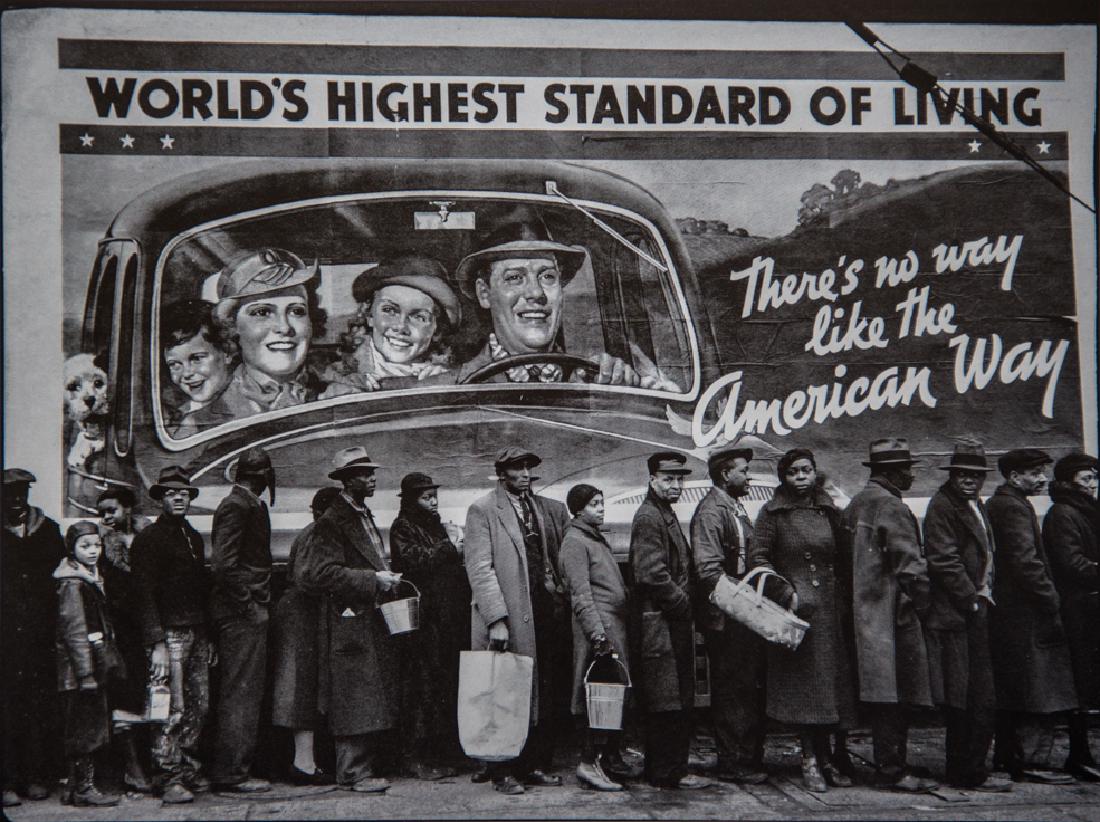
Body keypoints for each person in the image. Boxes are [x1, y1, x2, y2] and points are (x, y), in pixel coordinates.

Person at [453, 220, 678, 389]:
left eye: (548, 277)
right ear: (484, 294)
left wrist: (633, 391)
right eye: (514, 278)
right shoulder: (449, 388)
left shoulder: (594, 382)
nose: (536, 293)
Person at [463, 447, 571, 795]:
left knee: (537, 691)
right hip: (508, 614)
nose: (525, 474)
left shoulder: (534, 507)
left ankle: (533, 765)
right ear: (501, 474)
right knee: (503, 691)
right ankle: (502, 771)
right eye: (517, 468)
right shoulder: (482, 509)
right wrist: (496, 619)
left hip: (538, 612)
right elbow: (480, 569)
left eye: (528, 468)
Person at [296, 447, 404, 793]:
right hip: (349, 620)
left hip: (363, 617)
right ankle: (353, 773)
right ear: (346, 480)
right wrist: (374, 579)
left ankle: (359, 769)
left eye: (371, 472)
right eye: (364, 474)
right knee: (355, 696)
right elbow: (321, 573)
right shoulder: (332, 521)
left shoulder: (359, 514)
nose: (372, 478)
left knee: (365, 693)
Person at [749, 448, 856, 793]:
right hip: (797, 614)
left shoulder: (829, 510)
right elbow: (758, 559)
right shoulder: (772, 514)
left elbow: (845, 556)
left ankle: (829, 758)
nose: (800, 477)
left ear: (814, 472)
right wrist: (786, 593)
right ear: (783, 477)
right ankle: (809, 758)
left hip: (829, 611)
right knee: (807, 690)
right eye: (793, 472)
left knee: (831, 689)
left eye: (806, 470)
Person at [842, 439, 938, 793]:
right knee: (895, 695)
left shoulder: (856, 503)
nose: (911, 474)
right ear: (893, 472)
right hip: (893, 616)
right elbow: (911, 568)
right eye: (907, 468)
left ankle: (891, 765)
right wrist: (925, 606)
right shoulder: (891, 506)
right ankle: (892, 769)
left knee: (882, 693)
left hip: (863, 614)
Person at [922, 441, 1010, 793]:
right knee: (969, 697)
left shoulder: (975, 504)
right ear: (952, 475)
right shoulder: (943, 506)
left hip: (977, 606)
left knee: (978, 696)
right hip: (959, 614)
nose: (969, 480)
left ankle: (970, 768)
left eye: (975, 475)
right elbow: (943, 559)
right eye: (962, 474)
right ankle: (966, 772)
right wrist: (970, 600)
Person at [986, 449, 1078, 785]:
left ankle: (1008, 758)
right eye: (1035, 473)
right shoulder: (1012, 507)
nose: (1042, 479)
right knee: (1038, 689)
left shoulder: (1003, 503)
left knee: (1017, 688)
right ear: (1014, 476)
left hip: (1012, 613)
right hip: (1027, 613)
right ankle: (1031, 762)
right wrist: (1051, 599)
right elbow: (1026, 562)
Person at [629, 452, 712, 790]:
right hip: (661, 621)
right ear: (652, 480)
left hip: (667, 618)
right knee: (666, 699)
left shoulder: (662, 512)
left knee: (673, 696)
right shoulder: (649, 516)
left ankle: (670, 769)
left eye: (680, 479)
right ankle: (666, 773)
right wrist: (682, 603)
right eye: (668, 479)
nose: (676, 485)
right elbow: (650, 573)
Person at [130, 466, 212, 804]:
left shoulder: (192, 536)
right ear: (160, 499)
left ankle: (188, 768)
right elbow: (143, 595)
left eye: (184, 493)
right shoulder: (149, 539)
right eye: (171, 493)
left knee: (198, 705)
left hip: (195, 632)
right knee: (169, 707)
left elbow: (201, 590)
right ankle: (167, 777)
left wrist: (207, 636)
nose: (179, 498)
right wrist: (157, 644)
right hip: (169, 637)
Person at [690, 446, 768, 786]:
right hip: (729, 618)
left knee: (745, 688)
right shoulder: (711, 512)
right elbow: (708, 570)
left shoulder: (733, 507)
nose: (748, 476)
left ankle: (745, 758)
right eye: (743, 470)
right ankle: (734, 762)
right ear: (725, 474)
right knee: (733, 691)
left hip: (742, 614)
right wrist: (748, 600)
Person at [211, 247, 349, 418]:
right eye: (262, 312)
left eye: (297, 311)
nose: (284, 327)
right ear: (232, 326)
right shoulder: (201, 422)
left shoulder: (347, 398)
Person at [209, 448, 277, 793]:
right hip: (242, 615)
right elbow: (223, 565)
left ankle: (235, 769)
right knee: (241, 693)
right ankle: (232, 773)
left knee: (244, 692)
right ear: (262, 476)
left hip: (247, 611)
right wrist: (248, 606)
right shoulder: (237, 506)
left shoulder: (247, 503)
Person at [558, 483, 635, 791]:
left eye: (602, 502)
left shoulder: (592, 537)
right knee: (595, 696)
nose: (601, 509)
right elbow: (580, 593)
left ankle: (609, 758)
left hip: (612, 627)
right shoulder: (575, 542)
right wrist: (598, 636)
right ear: (578, 510)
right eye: (594, 504)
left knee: (611, 695)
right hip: (598, 631)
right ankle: (589, 763)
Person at [2, 468, 65, 807]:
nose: (16, 500)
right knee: (7, 706)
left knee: (39, 704)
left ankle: (38, 776)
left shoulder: (48, 531)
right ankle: (7, 781)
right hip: (5, 637)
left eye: (21, 493)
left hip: (40, 634)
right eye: (9, 494)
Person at [271, 486, 341, 785]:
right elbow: (307, 577)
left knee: (302, 687)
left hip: (299, 612)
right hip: (303, 614)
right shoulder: (319, 533)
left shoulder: (310, 532)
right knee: (302, 687)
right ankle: (303, 764)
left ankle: (305, 761)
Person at [53, 522, 122, 807]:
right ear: (72, 549)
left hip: (92, 666)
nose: (93, 551)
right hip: (81, 672)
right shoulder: (73, 584)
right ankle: (83, 788)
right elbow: (75, 632)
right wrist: (85, 674)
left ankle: (74, 788)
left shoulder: (89, 578)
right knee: (86, 729)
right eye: (85, 546)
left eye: (97, 545)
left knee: (87, 726)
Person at [325, 254, 461, 392]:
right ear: (369, 315)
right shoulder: (338, 377)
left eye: (419, 317)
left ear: (436, 330)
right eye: (389, 310)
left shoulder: (454, 379)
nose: (401, 326)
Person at [1044, 453, 1100, 781]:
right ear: (1068, 483)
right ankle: (1079, 755)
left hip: (1092, 607)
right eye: (1086, 479)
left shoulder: (1087, 510)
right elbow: (1072, 564)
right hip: (1078, 611)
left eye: (1094, 478)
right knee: (1080, 682)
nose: (1092, 485)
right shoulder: (1063, 513)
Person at [95, 488, 153, 793]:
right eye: (102, 512)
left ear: (128, 509)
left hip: (150, 629)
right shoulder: (101, 548)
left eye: (112, 510)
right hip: (121, 632)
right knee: (125, 695)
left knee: (152, 696)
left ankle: (152, 763)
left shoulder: (147, 539)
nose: (106, 517)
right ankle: (131, 768)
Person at [160, 299, 235, 437]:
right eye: (174, 364)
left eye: (196, 359)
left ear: (227, 352)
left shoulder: (246, 405)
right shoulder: (176, 416)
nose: (187, 373)